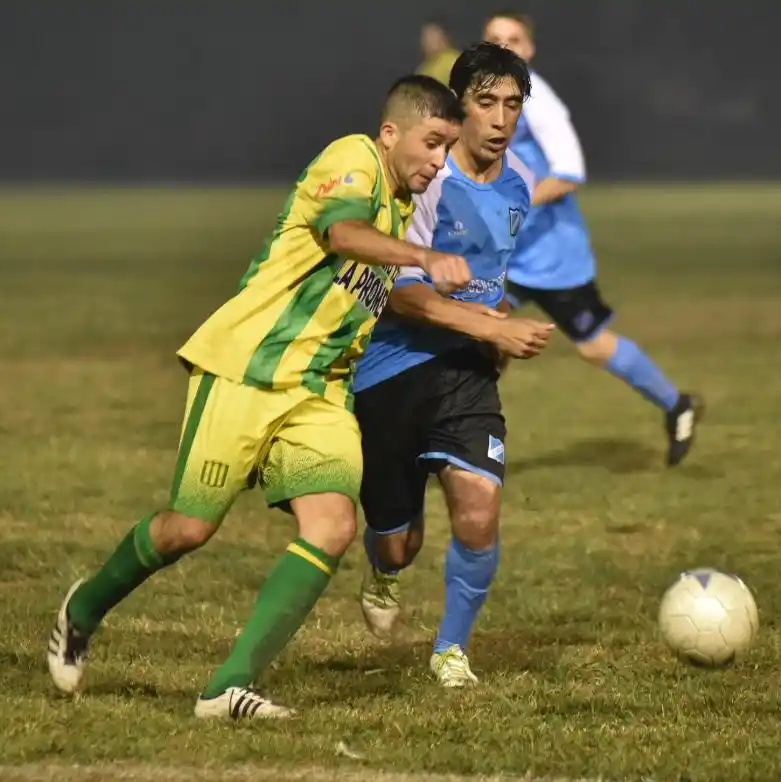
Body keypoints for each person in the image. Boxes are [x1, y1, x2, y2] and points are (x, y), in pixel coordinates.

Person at [45, 75, 473, 720]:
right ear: (392, 133)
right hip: (244, 372)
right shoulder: (353, 159)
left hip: (318, 394)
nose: (439, 161)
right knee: (186, 530)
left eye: (448, 148)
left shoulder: (403, 205)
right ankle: (82, 609)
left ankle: (227, 688)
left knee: (332, 528)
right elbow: (341, 235)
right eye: (433, 143)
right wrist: (426, 257)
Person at [353, 43, 552, 687]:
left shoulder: (520, 182)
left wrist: (495, 324)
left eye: (512, 106)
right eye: (486, 103)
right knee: (398, 543)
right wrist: (488, 326)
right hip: (391, 371)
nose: (500, 119)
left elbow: (490, 275)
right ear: (459, 106)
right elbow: (402, 292)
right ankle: (382, 571)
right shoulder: (428, 180)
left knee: (480, 506)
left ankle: (450, 650)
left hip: (466, 375)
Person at [483, 11, 703, 468]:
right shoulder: (477, 93)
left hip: (550, 254)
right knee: (483, 335)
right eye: (494, 39)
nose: (504, 48)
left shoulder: (538, 100)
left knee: (593, 345)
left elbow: (569, 174)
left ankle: (676, 404)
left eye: (514, 40)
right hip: (504, 251)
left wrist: (510, 208)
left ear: (529, 50)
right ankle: (470, 439)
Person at [417, 18, 461, 86]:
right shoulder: (423, 69)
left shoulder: (454, 61)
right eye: (425, 36)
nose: (426, 41)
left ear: (443, 37)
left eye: (431, 35)